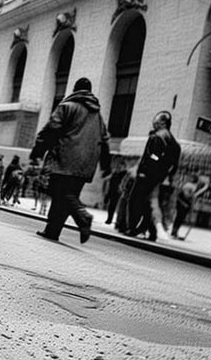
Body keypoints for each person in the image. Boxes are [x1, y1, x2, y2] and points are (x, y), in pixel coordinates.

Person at [30, 76, 112, 244]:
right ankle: (52, 231)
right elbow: (104, 140)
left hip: (65, 158)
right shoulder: (97, 114)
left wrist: (38, 151)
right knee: (69, 195)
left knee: (58, 191)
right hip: (87, 163)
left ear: (74, 90)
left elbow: (51, 130)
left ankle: (82, 216)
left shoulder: (67, 106)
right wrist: (106, 164)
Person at [125, 110, 181, 241]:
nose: (153, 123)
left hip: (147, 176)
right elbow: (174, 164)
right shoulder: (175, 144)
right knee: (151, 204)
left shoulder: (156, 137)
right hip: (161, 179)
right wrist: (166, 175)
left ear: (163, 123)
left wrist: (144, 172)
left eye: (155, 121)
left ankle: (132, 228)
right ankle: (151, 231)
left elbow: (151, 157)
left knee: (135, 201)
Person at [170, 175, 200, 240]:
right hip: (183, 203)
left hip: (185, 203)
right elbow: (186, 195)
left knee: (180, 218)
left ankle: (175, 231)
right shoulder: (189, 186)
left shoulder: (191, 185)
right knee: (179, 217)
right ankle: (174, 231)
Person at [102, 161, 128, 226]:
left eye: (120, 167)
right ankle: (109, 219)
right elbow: (106, 179)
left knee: (118, 207)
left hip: (119, 192)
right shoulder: (115, 174)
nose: (119, 168)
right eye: (118, 167)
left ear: (124, 167)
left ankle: (118, 221)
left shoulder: (125, 174)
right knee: (111, 206)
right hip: (112, 191)